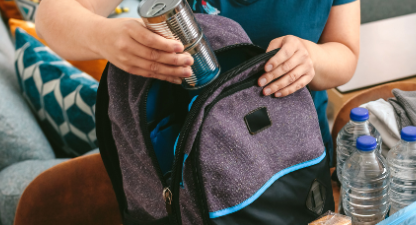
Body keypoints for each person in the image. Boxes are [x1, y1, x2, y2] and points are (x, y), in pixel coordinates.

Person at [35, 0, 360, 161]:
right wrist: (103, 36)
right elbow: (51, 15)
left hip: (301, 154)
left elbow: (345, 53)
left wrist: (311, 58)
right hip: (199, 162)